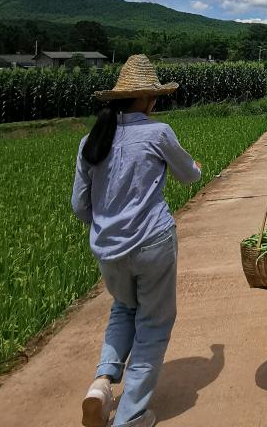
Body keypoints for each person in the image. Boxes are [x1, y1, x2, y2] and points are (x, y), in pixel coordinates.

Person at [71, 55, 202, 427]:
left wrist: (106, 226)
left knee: (123, 308)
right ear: (147, 99)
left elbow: (80, 205)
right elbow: (189, 175)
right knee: (154, 324)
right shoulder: (158, 133)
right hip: (152, 242)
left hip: (108, 249)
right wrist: (196, 170)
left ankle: (100, 385)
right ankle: (130, 416)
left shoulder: (90, 141)